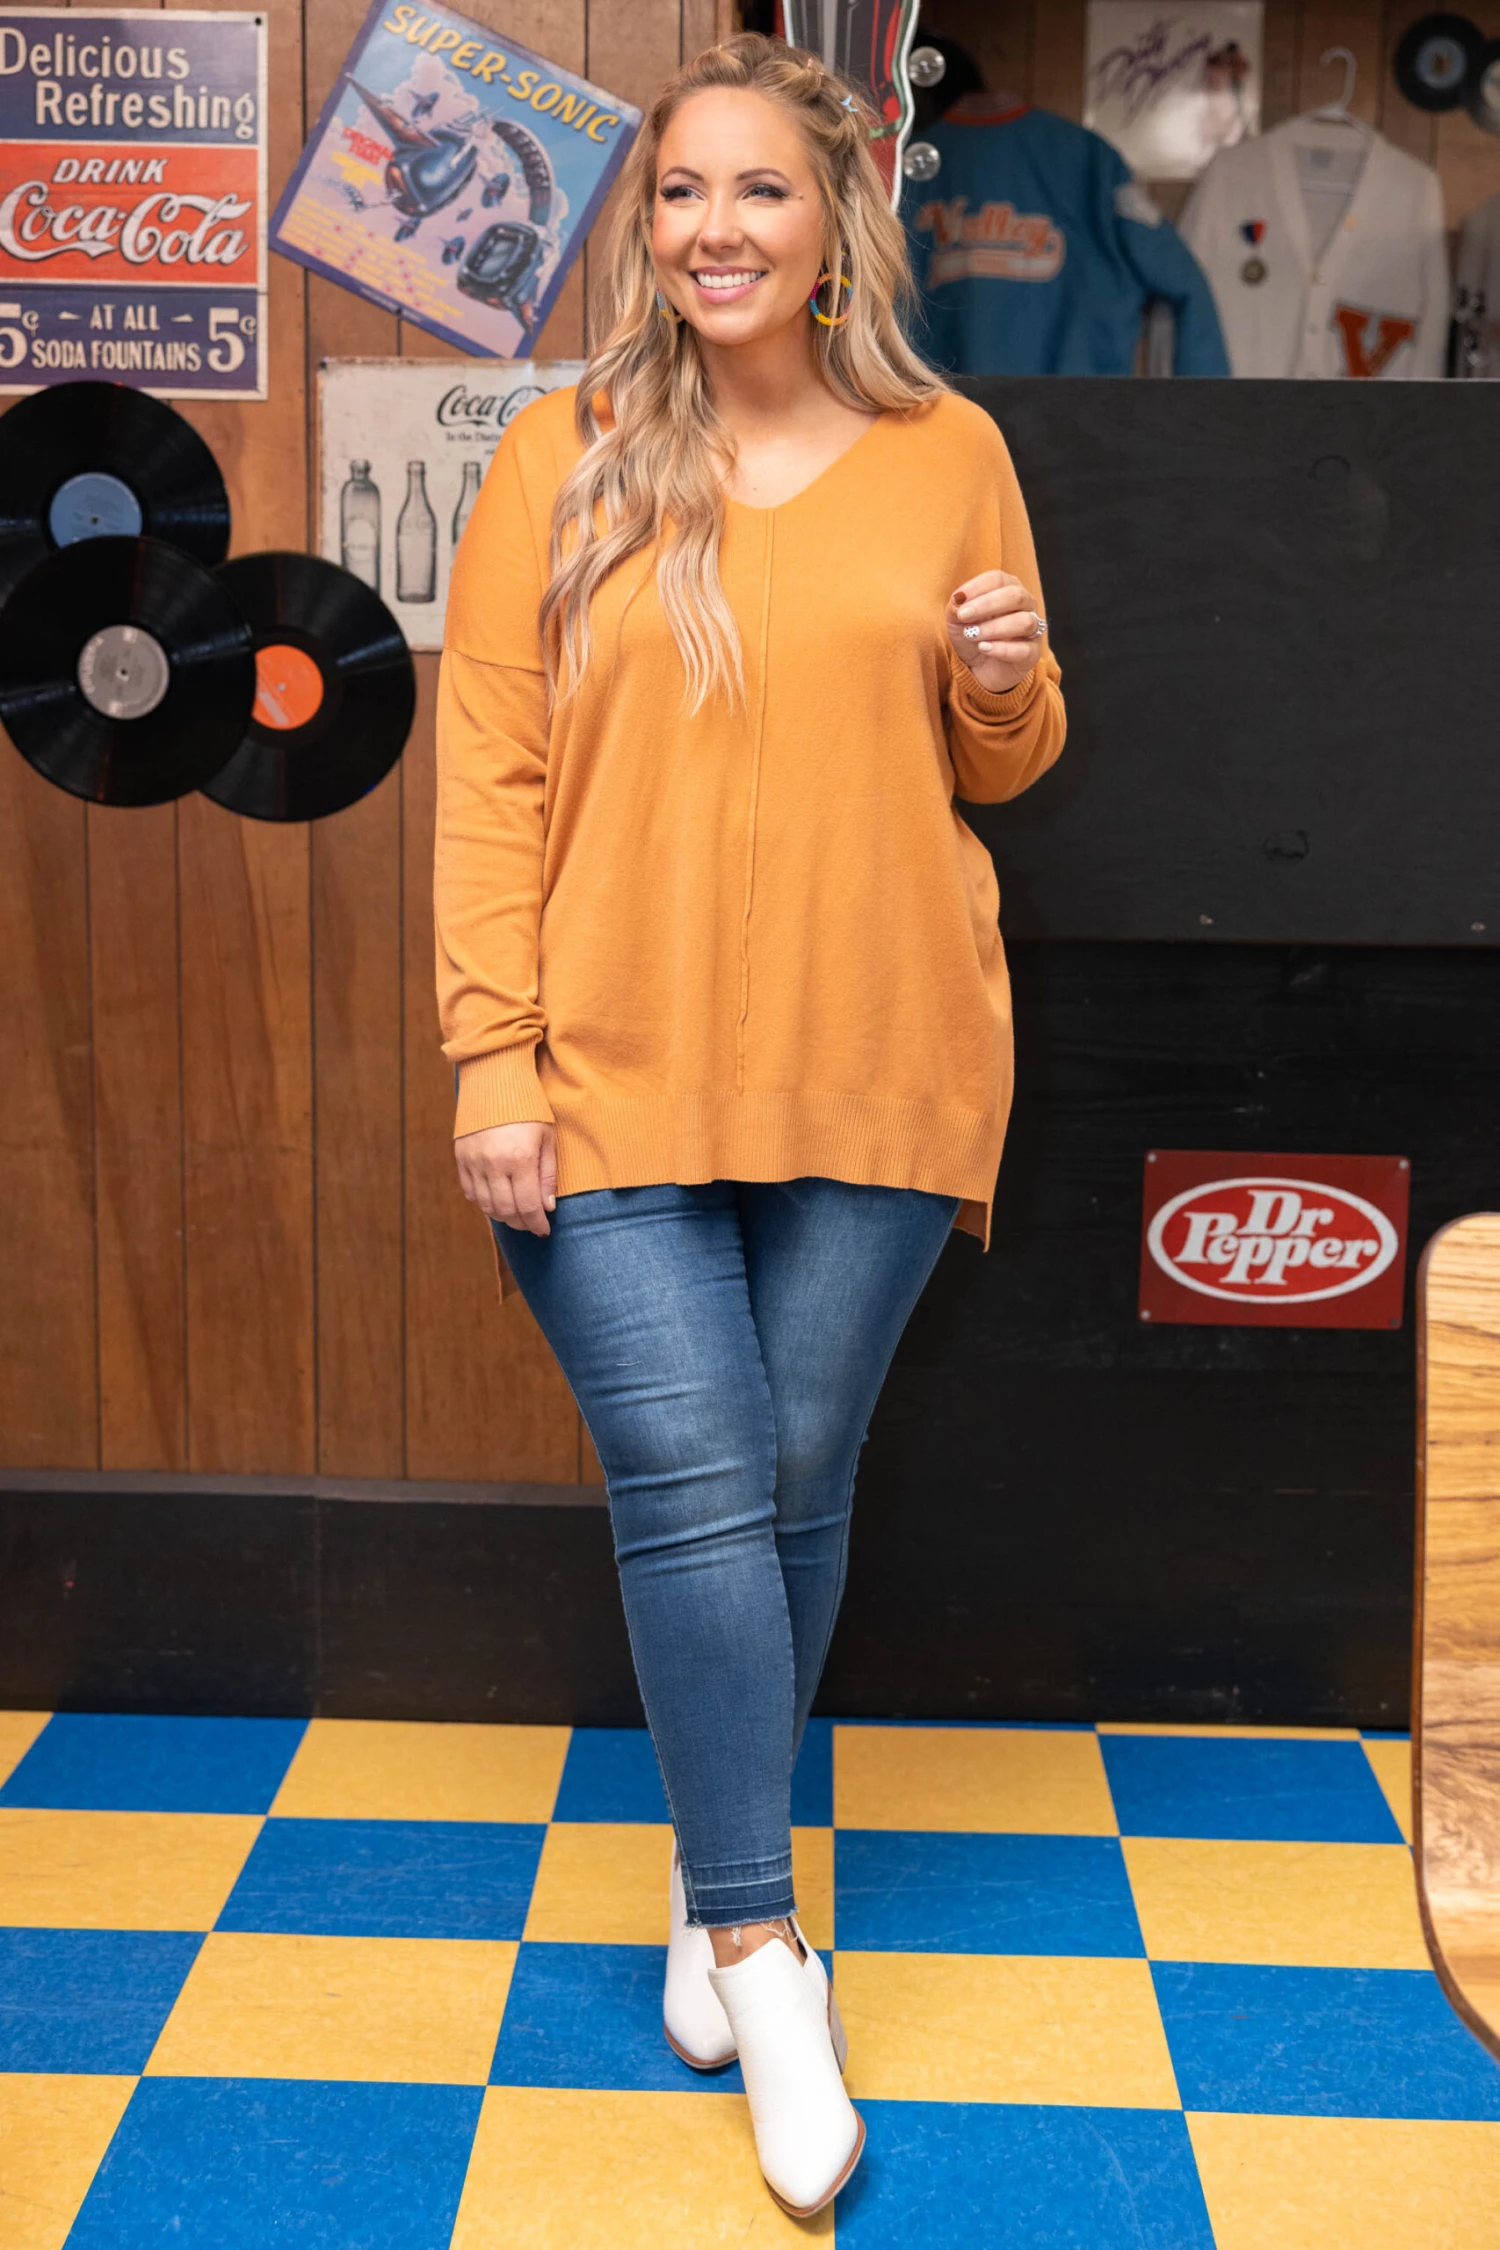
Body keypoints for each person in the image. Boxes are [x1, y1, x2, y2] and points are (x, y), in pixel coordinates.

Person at [433, 30, 1064, 2217]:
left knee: (792, 1476)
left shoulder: (952, 450)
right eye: (682, 192)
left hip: (881, 1049)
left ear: (834, 224)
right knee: (702, 1476)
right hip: (605, 1068)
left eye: (759, 190)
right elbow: (490, 777)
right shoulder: (562, 457)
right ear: (649, 229)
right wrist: (490, 1055)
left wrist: (1003, 674)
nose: (715, 228)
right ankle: (761, 1951)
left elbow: (1003, 759)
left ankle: (722, 1893)